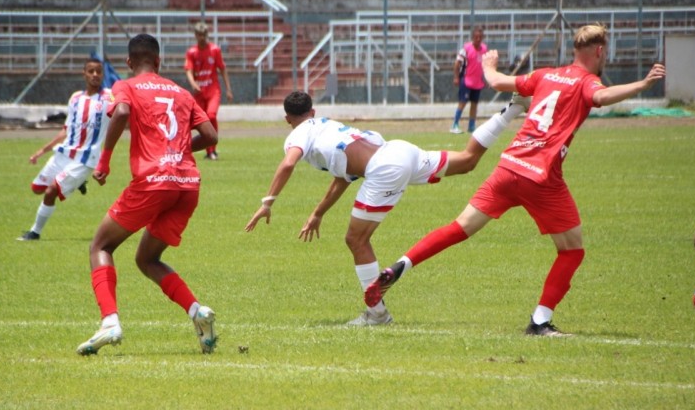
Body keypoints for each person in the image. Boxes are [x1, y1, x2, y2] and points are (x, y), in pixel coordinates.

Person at [365, 24, 666, 336]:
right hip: (541, 177)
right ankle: (539, 322)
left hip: (508, 167)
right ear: (600, 51)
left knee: (459, 227)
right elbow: (601, 97)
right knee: (572, 250)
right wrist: (642, 84)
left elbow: (496, 81)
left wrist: (487, 64)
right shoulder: (588, 82)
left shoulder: (544, 75)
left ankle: (400, 265)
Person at [244, 90, 522, 326]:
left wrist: (267, 202)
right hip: (399, 150)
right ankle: (513, 108)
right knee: (467, 160)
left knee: (356, 239)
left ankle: (376, 314)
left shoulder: (299, 132)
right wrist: (318, 213)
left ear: (287, 119)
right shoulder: (326, 124)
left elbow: (289, 162)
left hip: (385, 168)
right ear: (313, 110)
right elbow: (342, 178)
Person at [76, 33, 219, 356]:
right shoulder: (181, 92)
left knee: (101, 245)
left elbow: (122, 113)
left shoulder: (125, 86)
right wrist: (180, 149)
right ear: (159, 61)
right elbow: (211, 135)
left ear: (129, 63)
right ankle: (198, 312)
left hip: (154, 181)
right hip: (187, 184)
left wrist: (104, 160)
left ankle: (110, 320)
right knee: (147, 258)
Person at [17, 58, 112, 241]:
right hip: (64, 153)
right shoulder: (75, 98)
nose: (95, 75)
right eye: (91, 71)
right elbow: (66, 130)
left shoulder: (109, 97)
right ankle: (79, 183)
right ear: (84, 74)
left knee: (50, 191)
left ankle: (35, 232)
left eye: (99, 71)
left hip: (85, 159)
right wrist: (42, 151)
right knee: (37, 188)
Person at [184, 21, 233, 161]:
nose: (201, 37)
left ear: (207, 35)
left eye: (204, 34)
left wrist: (228, 89)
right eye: (199, 35)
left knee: (211, 116)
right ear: (195, 35)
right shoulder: (192, 52)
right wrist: (193, 83)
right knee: (197, 121)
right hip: (199, 92)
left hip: (213, 90)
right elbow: (189, 70)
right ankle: (197, 150)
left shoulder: (215, 50)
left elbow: (222, 69)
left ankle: (212, 150)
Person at [450, 26, 487, 134]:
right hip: (466, 81)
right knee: (462, 103)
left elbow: (484, 65)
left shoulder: (484, 49)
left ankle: (471, 126)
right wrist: (456, 77)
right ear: (472, 37)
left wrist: (486, 78)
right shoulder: (466, 49)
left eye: (480, 37)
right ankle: (455, 124)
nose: (478, 39)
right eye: (476, 37)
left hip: (477, 82)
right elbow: (457, 63)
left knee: (474, 104)